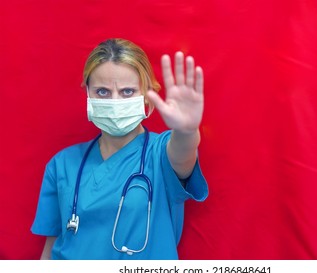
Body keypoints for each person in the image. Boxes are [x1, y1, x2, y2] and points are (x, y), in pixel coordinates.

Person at [31, 38, 208, 260]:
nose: (115, 101)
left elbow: (184, 153)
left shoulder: (161, 154)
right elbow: (51, 248)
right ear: (88, 93)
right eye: (102, 92)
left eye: (127, 92)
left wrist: (187, 130)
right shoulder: (62, 164)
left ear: (146, 93)